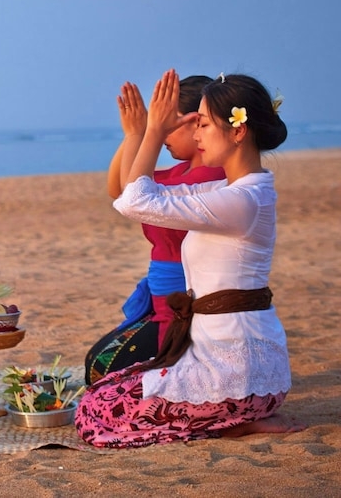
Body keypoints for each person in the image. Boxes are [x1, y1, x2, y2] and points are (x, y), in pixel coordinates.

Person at [75, 70, 304, 447]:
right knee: (104, 390)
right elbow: (130, 195)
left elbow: (134, 202)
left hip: (240, 377)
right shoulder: (230, 191)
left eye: (204, 124)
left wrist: (151, 132)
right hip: (236, 368)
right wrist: (141, 133)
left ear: (238, 131)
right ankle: (232, 419)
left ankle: (233, 421)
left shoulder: (241, 201)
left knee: (95, 411)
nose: (196, 134)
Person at [84, 76, 224, 384]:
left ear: (197, 122)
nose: (162, 134)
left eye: (168, 123)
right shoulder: (181, 171)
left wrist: (143, 134)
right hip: (163, 301)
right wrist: (135, 134)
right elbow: (118, 189)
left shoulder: (211, 177)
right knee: (97, 363)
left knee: (104, 370)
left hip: (184, 307)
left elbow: (130, 192)